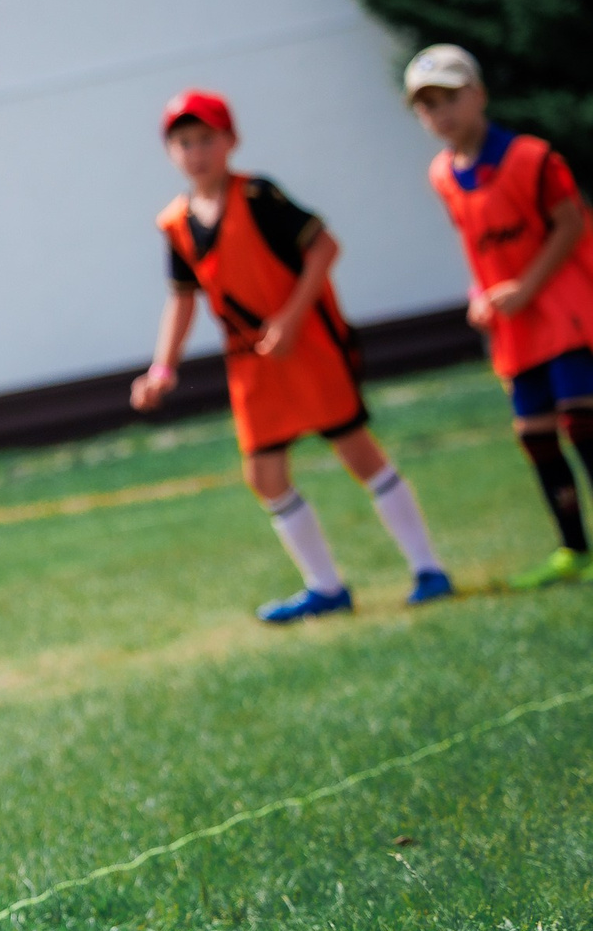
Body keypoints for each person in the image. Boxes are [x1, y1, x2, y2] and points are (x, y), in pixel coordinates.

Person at [130, 89, 452, 622]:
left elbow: (325, 246)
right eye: (183, 142)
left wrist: (291, 318)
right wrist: (163, 368)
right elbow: (182, 299)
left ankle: (428, 568)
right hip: (249, 362)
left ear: (231, 141)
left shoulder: (258, 196)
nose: (196, 152)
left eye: (206, 138)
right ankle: (326, 587)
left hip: (307, 345)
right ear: (171, 152)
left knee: (357, 453)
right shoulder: (176, 224)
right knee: (265, 476)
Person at [405, 44, 593, 589]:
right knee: (534, 435)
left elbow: (571, 224)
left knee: (582, 423)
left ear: (479, 94)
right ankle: (573, 549)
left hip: (562, 307)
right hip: (514, 323)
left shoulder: (532, 158)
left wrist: (527, 285)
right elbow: (476, 246)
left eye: (450, 98)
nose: (441, 113)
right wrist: (479, 294)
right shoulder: (442, 174)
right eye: (427, 105)